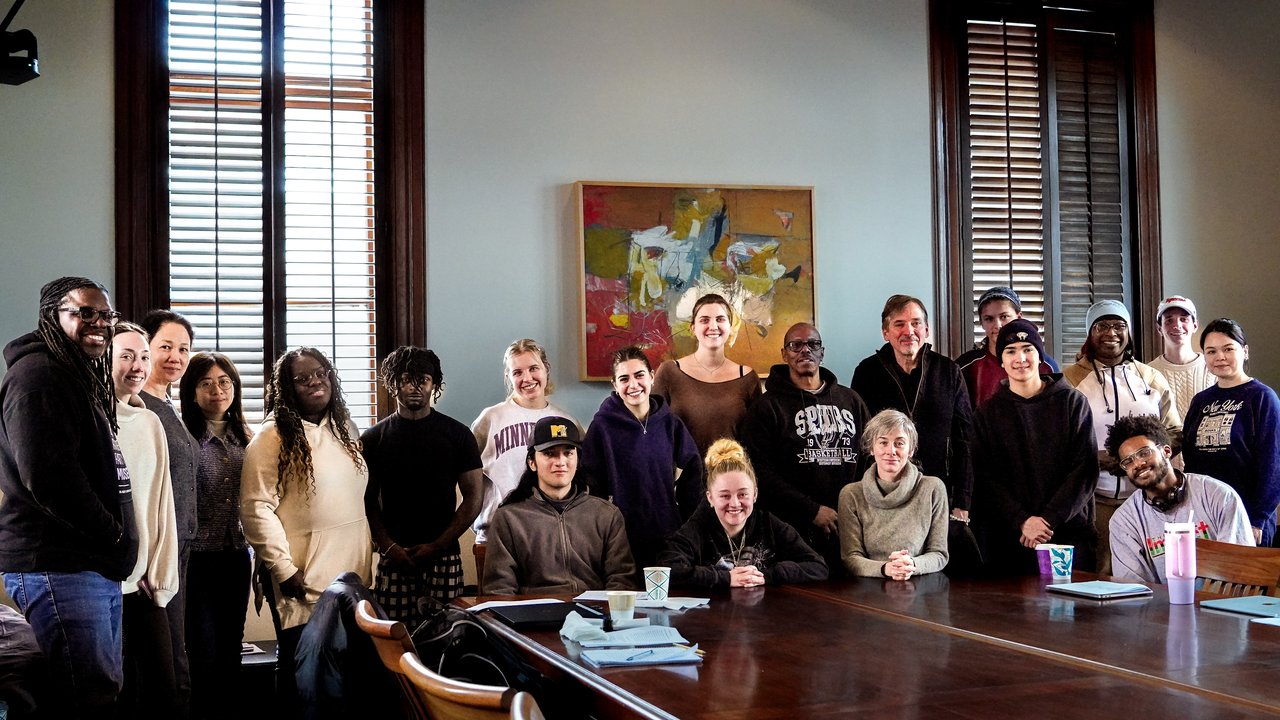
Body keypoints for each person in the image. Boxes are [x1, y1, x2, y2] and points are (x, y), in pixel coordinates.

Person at [0, 276, 138, 717]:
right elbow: (49, 477)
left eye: (106, 315)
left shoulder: (74, 375)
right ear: (51, 316)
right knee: (86, 698)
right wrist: (113, 535)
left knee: (99, 690)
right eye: (84, 312)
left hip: (87, 567)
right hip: (59, 566)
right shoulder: (38, 378)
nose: (98, 323)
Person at [240, 348, 372, 711]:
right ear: (287, 387)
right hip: (302, 578)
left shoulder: (346, 427)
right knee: (307, 680)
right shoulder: (272, 436)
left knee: (347, 678)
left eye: (320, 373)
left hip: (351, 575)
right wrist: (283, 568)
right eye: (302, 378)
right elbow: (255, 507)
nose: (315, 382)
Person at [361, 346, 483, 625]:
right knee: (395, 640)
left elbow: (474, 497)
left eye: (423, 379)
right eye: (405, 379)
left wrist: (439, 545)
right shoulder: (373, 439)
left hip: (444, 555)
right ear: (393, 384)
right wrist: (389, 547)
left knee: (447, 636)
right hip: (394, 558)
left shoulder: (458, 435)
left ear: (434, 385)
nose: (414, 387)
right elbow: (367, 502)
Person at [740, 322, 871, 572]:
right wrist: (811, 510)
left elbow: (871, 458)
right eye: (795, 345)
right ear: (784, 354)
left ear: (822, 352)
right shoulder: (767, 407)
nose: (805, 350)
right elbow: (759, 472)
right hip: (791, 531)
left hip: (850, 526)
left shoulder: (850, 400)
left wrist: (856, 509)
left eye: (813, 344)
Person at [1063, 299, 1180, 574]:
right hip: (1095, 500)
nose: (1111, 332)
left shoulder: (1151, 377)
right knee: (1101, 572)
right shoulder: (1068, 379)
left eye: (1119, 325)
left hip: (1148, 498)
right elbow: (1056, 441)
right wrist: (1095, 459)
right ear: (1089, 333)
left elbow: (1175, 433)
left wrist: (1149, 457)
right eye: (1101, 325)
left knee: (1157, 571)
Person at [972, 319, 1098, 574]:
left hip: (1068, 532)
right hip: (1011, 537)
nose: (1020, 358)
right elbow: (985, 478)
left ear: (1039, 356)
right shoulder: (987, 413)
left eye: (1028, 349)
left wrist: (1048, 520)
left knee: (1074, 611)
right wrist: (1022, 521)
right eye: (1011, 351)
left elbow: (1084, 470)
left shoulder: (1072, 402)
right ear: (1002, 360)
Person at [851, 294, 974, 525]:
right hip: (883, 496)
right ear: (885, 333)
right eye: (899, 324)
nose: (909, 331)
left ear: (926, 330)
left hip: (939, 493)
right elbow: (860, 440)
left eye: (916, 323)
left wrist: (962, 503)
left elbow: (965, 441)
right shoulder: (867, 373)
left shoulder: (949, 371)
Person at [110, 322, 182, 714]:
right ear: (105, 361)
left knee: (163, 690)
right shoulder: (91, 416)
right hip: (105, 581)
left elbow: (161, 503)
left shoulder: (151, 421)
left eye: (142, 356)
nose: (138, 366)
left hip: (145, 580)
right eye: (126, 356)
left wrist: (159, 571)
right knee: (118, 691)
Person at [582, 346, 704, 569]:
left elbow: (693, 477)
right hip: (619, 539)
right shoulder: (602, 427)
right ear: (615, 385)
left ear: (652, 376)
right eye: (624, 379)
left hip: (668, 534)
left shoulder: (671, 424)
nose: (633, 385)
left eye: (639, 375)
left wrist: (689, 528)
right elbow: (591, 484)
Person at [179, 352, 253, 719]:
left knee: (231, 648)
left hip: (237, 556)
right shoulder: (182, 439)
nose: (217, 390)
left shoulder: (249, 440)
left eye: (225, 381)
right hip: (195, 560)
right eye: (205, 383)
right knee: (201, 650)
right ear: (192, 393)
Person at [484, 416, 636, 595]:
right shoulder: (508, 518)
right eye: (549, 453)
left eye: (568, 453)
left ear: (578, 459)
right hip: (533, 617)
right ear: (532, 462)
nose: (561, 462)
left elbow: (621, 580)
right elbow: (499, 590)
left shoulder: (607, 514)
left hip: (594, 616)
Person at [658, 439, 828, 589]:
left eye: (742, 494)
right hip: (711, 617)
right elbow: (667, 570)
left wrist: (766, 576)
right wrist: (725, 577)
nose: (734, 504)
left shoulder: (768, 524)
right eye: (725, 495)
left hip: (763, 615)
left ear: (754, 494)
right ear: (710, 498)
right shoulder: (698, 527)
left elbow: (818, 566)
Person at [1105, 414, 1254, 584]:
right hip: (1160, 609)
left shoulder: (1219, 496)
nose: (1138, 464)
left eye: (1144, 453)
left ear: (1166, 451)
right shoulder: (1123, 521)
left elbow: (1239, 569)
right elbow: (1133, 588)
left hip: (1220, 605)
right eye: (1128, 461)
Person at [139, 309, 198, 716]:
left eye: (184, 349)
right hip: (154, 557)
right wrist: (143, 559)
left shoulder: (167, 403)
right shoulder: (137, 406)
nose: (175, 356)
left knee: (177, 657)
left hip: (180, 551)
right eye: (165, 347)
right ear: (144, 348)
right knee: (163, 669)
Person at [470, 339, 581, 547]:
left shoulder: (566, 422)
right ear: (509, 377)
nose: (527, 378)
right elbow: (464, 471)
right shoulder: (491, 418)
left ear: (546, 369)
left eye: (533, 368)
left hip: (551, 536)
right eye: (517, 372)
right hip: (496, 536)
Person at [1182, 318, 1280, 547]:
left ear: (1244, 351)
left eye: (1228, 349)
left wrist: (1257, 521)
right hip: (1206, 515)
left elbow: (1273, 466)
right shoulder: (1200, 401)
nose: (1220, 357)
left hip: (1249, 516)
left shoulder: (1263, 398)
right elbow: (1191, 461)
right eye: (1211, 351)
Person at [838, 410, 949, 580]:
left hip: (922, 587)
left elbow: (939, 554)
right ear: (871, 448)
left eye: (899, 443)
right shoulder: (851, 494)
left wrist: (912, 564)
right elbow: (851, 558)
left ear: (911, 450)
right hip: (866, 589)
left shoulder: (933, 488)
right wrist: (886, 569)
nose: (891, 451)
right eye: (883, 442)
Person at [652, 293, 761, 454]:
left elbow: (757, 441)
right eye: (704, 320)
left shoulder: (747, 378)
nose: (713, 326)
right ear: (693, 328)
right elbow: (653, 432)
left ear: (730, 326)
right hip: (680, 477)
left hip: (732, 476)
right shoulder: (669, 372)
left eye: (720, 319)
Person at [955, 286, 1059, 409]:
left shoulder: (1047, 365)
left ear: (1019, 317)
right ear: (981, 323)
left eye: (1004, 317)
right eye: (989, 319)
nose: (997, 325)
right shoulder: (966, 366)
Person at [1147, 295, 1215, 421]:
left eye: (1183, 319)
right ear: (1159, 329)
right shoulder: (1148, 373)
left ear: (1195, 325)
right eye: (1169, 320)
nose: (1177, 325)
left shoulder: (1212, 367)